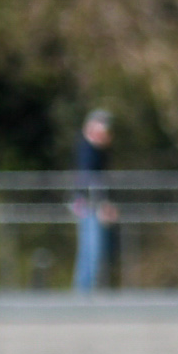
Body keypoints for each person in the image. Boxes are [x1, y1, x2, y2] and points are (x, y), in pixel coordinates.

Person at [71, 109, 116, 293]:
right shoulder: (87, 150)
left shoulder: (97, 151)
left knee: (93, 250)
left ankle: (86, 291)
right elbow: (90, 182)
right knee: (92, 249)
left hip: (92, 205)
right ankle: (84, 292)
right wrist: (103, 205)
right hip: (89, 206)